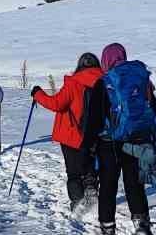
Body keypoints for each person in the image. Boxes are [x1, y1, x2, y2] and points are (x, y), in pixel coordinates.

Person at [80, 43, 156, 235]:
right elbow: (155, 110)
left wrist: (87, 150)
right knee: (134, 184)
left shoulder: (104, 83)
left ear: (106, 60)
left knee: (108, 186)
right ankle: (143, 226)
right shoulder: (140, 80)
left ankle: (108, 231)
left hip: (108, 143)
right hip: (137, 140)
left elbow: (93, 120)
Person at [30, 52, 103, 209]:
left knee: (73, 171)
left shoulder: (73, 83)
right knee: (90, 165)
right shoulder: (105, 81)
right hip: (96, 134)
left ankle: (78, 202)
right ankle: (91, 188)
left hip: (71, 134)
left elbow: (56, 104)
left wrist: (38, 94)